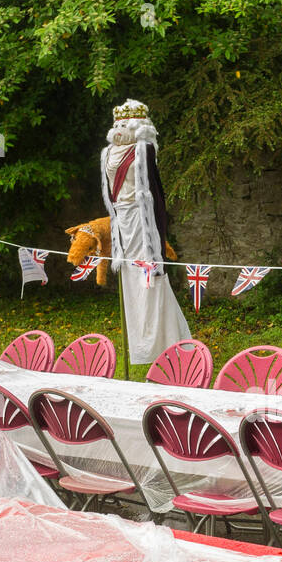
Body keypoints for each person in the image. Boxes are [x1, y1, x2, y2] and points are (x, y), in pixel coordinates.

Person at [100, 99, 192, 365]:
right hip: (121, 222)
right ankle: (140, 345)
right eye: (116, 124)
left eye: (124, 124)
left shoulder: (144, 150)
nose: (118, 128)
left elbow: (155, 194)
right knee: (131, 278)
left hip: (141, 221)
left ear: (137, 126)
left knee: (148, 277)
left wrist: (159, 235)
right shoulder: (108, 154)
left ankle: (162, 341)